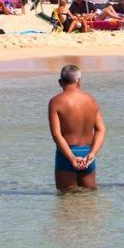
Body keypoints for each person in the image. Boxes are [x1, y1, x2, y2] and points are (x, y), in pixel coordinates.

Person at [47, 64, 106, 192]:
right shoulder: (91, 100)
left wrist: (71, 158)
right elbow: (101, 129)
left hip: (66, 153)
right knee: (89, 200)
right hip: (87, 155)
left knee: (66, 201)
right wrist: (92, 153)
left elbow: (56, 135)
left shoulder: (56, 102)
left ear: (60, 82)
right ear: (79, 81)